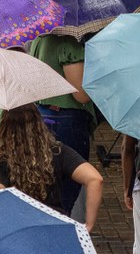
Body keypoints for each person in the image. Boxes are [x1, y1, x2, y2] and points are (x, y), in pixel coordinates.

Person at [0, 105, 103, 230]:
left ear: (4, 128)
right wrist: (88, 226)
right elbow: (96, 179)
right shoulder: (58, 151)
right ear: (39, 124)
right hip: (54, 225)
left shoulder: (0, 160)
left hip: (16, 227)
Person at [28, 34, 96, 215]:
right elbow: (81, 95)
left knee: (46, 188)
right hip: (66, 121)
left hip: (42, 114)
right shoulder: (68, 43)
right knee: (67, 189)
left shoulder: (39, 40)